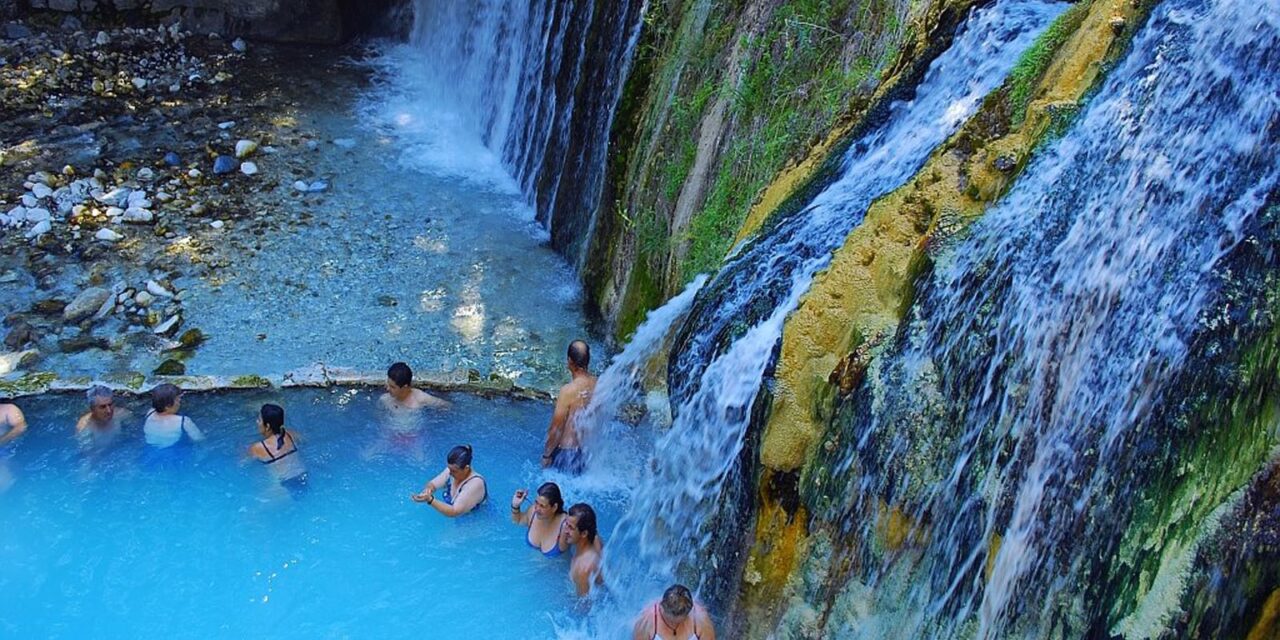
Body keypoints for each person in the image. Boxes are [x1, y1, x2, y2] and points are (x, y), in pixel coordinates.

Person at [541, 340, 596, 473]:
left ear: (569, 361)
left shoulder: (568, 391)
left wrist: (546, 455)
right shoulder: (599, 384)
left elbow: (556, 427)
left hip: (567, 455)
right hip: (589, 454)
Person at [247, 403, 308, 496]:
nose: (257, 422)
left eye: (259, 420)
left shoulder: (257, 448)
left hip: (283, 487)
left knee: (249, 510)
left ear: (267, 426)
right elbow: (305, 441)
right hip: (304, 478)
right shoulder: (291, 435)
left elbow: (241, 464)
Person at [411, 445, 487, 517]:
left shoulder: (475, 484)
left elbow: (454, 512)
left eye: (453, 471)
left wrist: (430, 500)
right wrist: (427, 492)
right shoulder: (453, 471)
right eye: (449, 469)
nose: (449, 473)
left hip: (475, 519)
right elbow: (433, 484)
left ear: (466, 468)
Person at [633, 584, 717, 640]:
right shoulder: (647, 621)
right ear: (661, 607)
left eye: (679, 622)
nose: (673, 625)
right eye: (669, 621)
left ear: (688, 613)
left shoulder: (700, 619)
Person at [510, 482, 569, 557]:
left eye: (542, 506)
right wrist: (515, 505)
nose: (537, 508)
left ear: (554, 507)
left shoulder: (566, 526)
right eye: (536, 502)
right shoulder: (533, 512)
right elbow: (517, 521)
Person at [143, 383, 205, 448]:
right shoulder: (183, 421)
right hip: (173, 452)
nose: (180, 403)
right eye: (178, 400)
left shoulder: (150, 413)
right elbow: (199, 439)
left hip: (150, 450)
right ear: (167, 406)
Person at [563, 503, 603, 596]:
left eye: (570, 528)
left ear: (584, 533)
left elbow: (584, 607)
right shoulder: (595, 539)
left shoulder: (583, 569)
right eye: (566, 524)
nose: (565, 531)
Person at [76, 385, 132, 450]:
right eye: (103, 407)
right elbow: (90, 456)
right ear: (92, 409)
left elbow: (136, 439)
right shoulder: (85, 429)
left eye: (110, 405)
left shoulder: (122, 415)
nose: (109, 411)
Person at [380, 362, 450, 412]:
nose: (387, 388)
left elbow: (447, 406)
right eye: (388, 384)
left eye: (392, 387)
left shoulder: (420, 398)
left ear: (405, 387)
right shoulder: (385, 400)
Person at [0, 398, 27, 491]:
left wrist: (2, 441)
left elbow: (20, 427)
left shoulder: (9, 409)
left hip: (3, 449)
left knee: (3, 477)